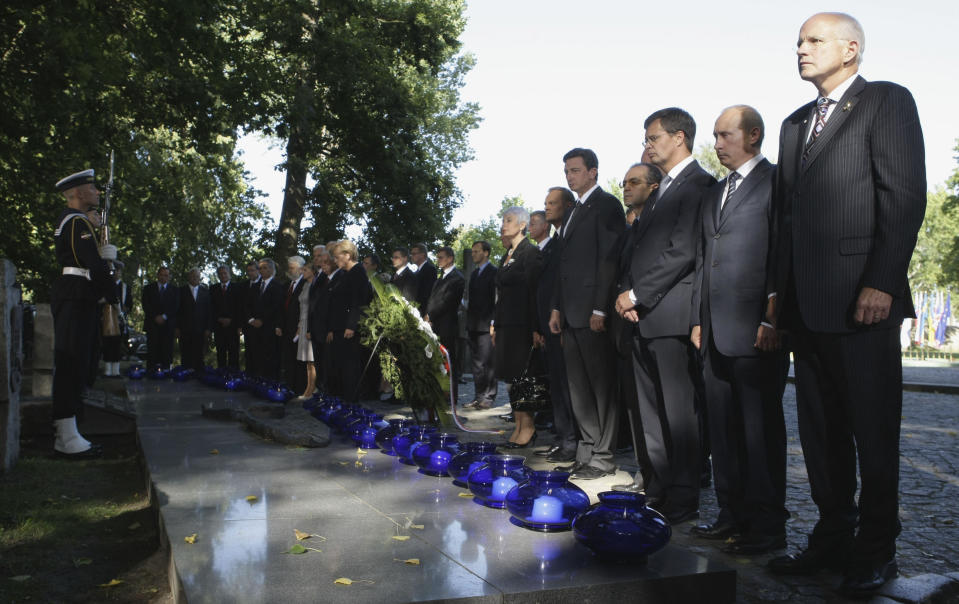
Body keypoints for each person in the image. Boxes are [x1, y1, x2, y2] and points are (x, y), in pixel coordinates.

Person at [766, 14, 926, 597]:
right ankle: (832, 536)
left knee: (872, 431)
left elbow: (904, 197)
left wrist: (882, 281)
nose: (801, 50)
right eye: (799, 43)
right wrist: (777, 302)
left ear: (850, 48)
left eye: (813, 41)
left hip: (864, 303)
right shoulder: (793, 125)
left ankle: (877, 547)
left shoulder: (885, 102)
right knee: (821, 435)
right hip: (806, 311)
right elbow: (785, 222)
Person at [688, 106, 789, 555]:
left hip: (755, 329)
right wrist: (697, 318)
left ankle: (766, 526)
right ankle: (731, 515)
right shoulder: (717, 192)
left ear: (753, 135)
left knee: (758, 430)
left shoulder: (778, 183)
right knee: (723, 430)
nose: (717, 144)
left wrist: (773, 314)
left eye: (725, 135)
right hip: (713, 331)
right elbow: (702, 259)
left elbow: (782, 253)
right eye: (714, 135)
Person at [614, 108, 716, 521]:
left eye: (653, 137)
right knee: (649, 412)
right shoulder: (660, 191)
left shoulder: (699, 185)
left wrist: (637, 294)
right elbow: (638, 249)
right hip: (643, 316)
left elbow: (682, 251)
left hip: (673, 315)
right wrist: (629, 296)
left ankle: (683, 495)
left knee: (679, 413)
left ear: (680, 137)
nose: (647, 145)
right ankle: (657, 486)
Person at [548, 148, 625, 480]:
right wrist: (556, 307)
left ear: (593, 172)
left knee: (600, 388)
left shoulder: (606, 205)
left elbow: (608, 259)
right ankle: (587, 449)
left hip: (593, 311)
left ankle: (604, 455)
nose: (570, 176)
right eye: (566, 171)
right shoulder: (574, 210)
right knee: (578, 388)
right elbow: (563, 266)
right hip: (570, 313)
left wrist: (599, 307)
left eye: (576, 170)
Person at [51, 168, 116, 458]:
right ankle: (66, 437)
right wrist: (109, 273)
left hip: (77, 294)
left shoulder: (76, 221)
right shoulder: (76, 223)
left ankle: (69, 432)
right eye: (91, 188)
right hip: (77, 295)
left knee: (78, 362)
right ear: (77, 193)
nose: (97, 191)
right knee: (71, 363)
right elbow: (90, 262)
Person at [607, 163, 661, 493]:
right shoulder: (635, 226)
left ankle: (665, 477)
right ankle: (647, 472)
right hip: (628, 323)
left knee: (659, 408)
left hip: (654, 317)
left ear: (653, 187)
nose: (626, 188)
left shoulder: (656, 221)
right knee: (636, 407)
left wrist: (636, 298)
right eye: (625, 182)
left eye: (634, 182)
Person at [492, 207, 544, 448]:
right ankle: (519, 425)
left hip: (523, 325)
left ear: (522, 225)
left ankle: (529, 427)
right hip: (506, 325)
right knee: (513, 377)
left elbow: (536, 292)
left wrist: (536, 327)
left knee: (525, 377)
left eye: (509, 220)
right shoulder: (508, 254)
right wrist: (495, 322)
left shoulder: (530, 253)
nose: (504, 224)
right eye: (503, 220)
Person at [533, 188, 578, 463]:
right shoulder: (552, 243)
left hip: (564, 321)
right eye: (545, 204)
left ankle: (572, 441)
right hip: (545, 323)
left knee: (567, 385)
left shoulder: (562, 241)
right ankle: (563, 438)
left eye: (553, 203)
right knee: (557, 384)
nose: (547, 208)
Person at [326, 240, 373, 402]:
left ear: (347, 255)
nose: (335, 260)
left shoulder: (358, 272)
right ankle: (344, 399)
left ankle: (351, 401)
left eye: (337, 256)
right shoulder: (345, 274)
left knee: (350, 367)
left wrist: (351, 325)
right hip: (341, 326)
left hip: (350, 328)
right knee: (341, 366)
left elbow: (358, 301)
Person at [425, 246, 466, 401]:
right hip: (435, 324)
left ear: (450, 258)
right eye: (437, 257)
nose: (438, 260)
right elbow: (433, 299)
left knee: (448, 361)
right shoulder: (440, 277)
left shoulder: (457, 278)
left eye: (441, 257)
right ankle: (439, 392)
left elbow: (447, 302)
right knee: (437, 360)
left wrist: (431, 315)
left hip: (447, 325)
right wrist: (427, 315)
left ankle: (450, 396)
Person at [464, 241, 498, 409]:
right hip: (473, 324)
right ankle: (478, 396)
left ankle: (489, 397)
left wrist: (494, 322)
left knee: (488, 363)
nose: (473, 254)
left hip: (486, 324)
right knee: (476, 364)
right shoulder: (475, 273)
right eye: (472, 252)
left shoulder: (494, 272)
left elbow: (496, 299)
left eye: (477, 251)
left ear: (486, 253)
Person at [247, 258, 284, 379]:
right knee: (256, 357)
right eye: (260, 268)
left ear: (272, 270)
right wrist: (252, 320)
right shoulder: (254, 287)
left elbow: (276, 307)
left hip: (269, 328)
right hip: (254, 329)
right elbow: (246, 306)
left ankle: (270, 384)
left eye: (264, 268)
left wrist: (262, 320)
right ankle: (257, 382)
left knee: (270, 358)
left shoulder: (278, 286)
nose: (261, 270)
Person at [142, 266, 179, 370]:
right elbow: (146, 305)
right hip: (152, 324)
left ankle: (166, 372)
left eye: (166, 275)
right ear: (158, 275)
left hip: (168, 326)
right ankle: (151, 373)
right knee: (152, 350)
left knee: (166, 350)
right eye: (161, 275)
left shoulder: (175, 290)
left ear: (169, 277)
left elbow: (176, 306)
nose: (163, 277)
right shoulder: (148, 288)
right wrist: (155, 317)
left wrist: (164, 316)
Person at [177, 268, 212, 372]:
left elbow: (209, 312)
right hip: (185, 329)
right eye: (192, 276)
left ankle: (199, 376)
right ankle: (185, 376)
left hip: (200, 330)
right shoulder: (180, 291)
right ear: (189, 277)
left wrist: (208, 328)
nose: (195, 278)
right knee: (185, 354)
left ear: (200, 277)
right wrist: (177, 327)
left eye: (197, 276)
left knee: (199, 355)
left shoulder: (205, 291)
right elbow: (177, 311)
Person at [308, 248, 333, 393]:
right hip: (316, 327)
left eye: (320, 256)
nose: (316, 259)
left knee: (326, 361)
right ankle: (321, 388)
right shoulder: (316, 276)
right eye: (315, 256)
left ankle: (326, 390)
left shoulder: (327, 277)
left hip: (325, 327)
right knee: (318, 360)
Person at [101, 265, 132, 378]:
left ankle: (116, 370)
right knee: (106, 343)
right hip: (107, 319)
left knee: (118, 344)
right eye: (113, 272)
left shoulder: (125, 287)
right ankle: (107, 369)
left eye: (117, 271)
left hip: (120, 320)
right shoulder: (106, 285)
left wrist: (124, 311)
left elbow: (129, 303)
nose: (115, 273)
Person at [281, 256, 307, 392]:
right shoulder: (286, 285)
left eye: (292, 268)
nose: (289, 271)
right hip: (286, 329)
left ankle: (299, 388)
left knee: (299, 360)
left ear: (301, 269)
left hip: (299, 328)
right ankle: (290, 386)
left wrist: (300, 326)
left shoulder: (306, 284)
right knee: (288, 359)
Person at [294, 263, 319, 400]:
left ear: (313, 271)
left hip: (310, 323)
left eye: (305, 270)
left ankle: (312, 389)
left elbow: (314, 309)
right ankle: (309, 388)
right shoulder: (305, 285)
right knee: (307, 360)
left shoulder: (315, 285)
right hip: (303, 323)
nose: (302, 272)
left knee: (312, 359)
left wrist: (311, 327)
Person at [210, 265, 242, 369]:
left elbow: (240, 308)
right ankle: (221, 376)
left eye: (225, 273)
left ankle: (234, 376)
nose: (223, 275)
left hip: (233, 327)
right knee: (220, 353)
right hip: (219, 327)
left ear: (230, 274)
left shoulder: (237, 288)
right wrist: (218, 319)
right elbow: (210, 307)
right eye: (220, 273)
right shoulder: (213, 289)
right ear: (218, 275)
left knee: (234, 354)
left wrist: (231, 320)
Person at [241, 261, 261, 373]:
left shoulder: (263, 284)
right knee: (248, 352)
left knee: (259, 352)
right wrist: (250, 319)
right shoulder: (243, 285)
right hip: (248, 324)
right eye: (248, 271)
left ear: (258, 270)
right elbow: (242, 305)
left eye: (252, 270)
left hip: (260, 325)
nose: (250, 273)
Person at [411, 243, 437, 316]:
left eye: (414, 254)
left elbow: (429, 293)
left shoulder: (430, 270)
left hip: (424, 312)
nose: (411, 256)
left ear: (422, 255)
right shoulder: (416, 272)